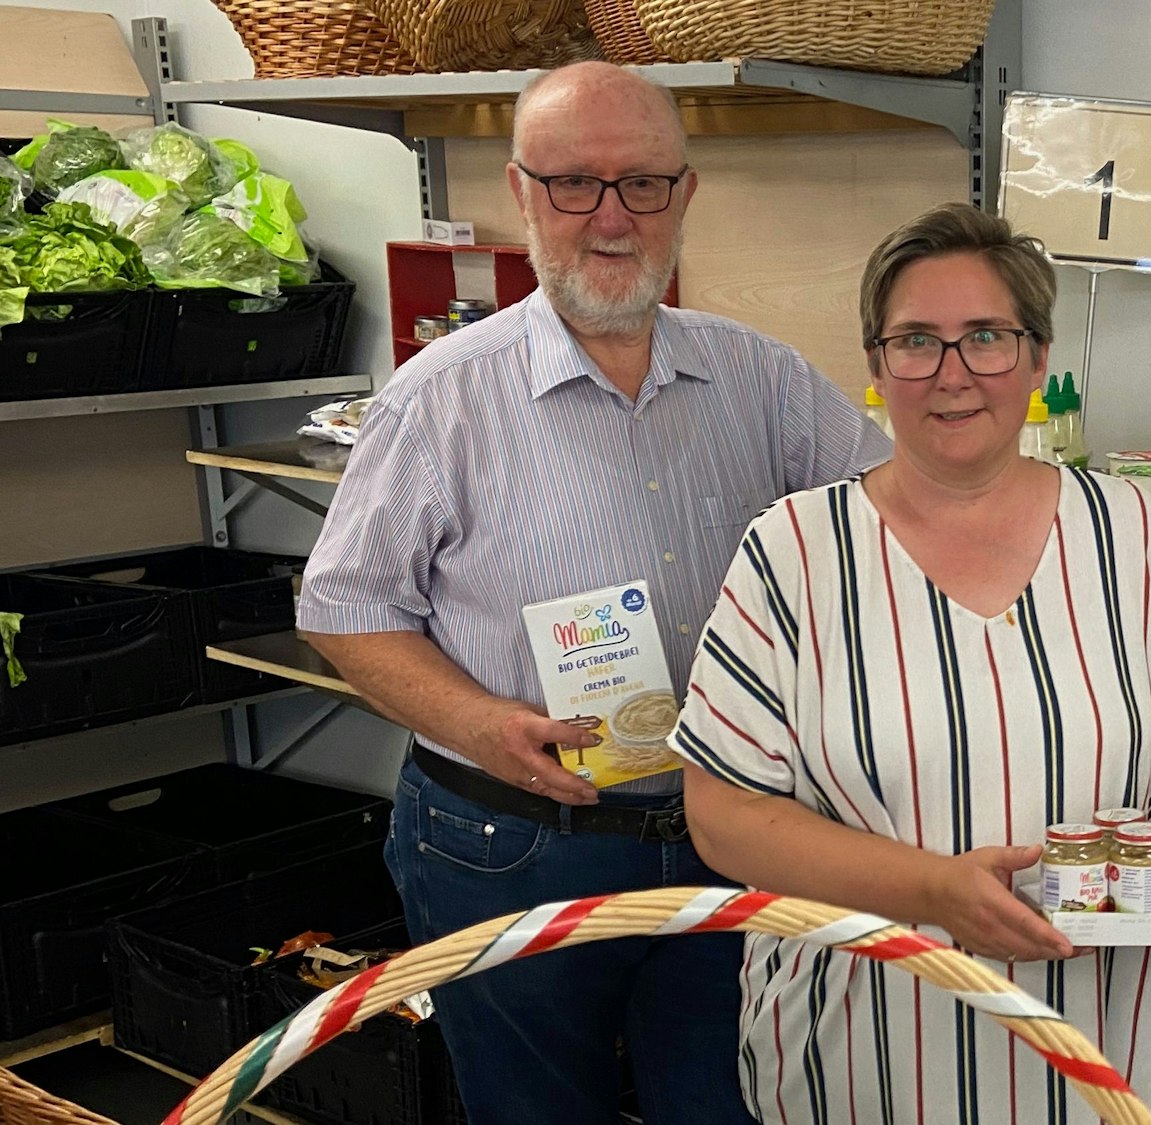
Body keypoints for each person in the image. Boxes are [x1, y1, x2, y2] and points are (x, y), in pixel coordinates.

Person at [297, 61, 891, 1124]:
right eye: (574, 183)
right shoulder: (440, 399)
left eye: (643, 184)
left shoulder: (760, 376)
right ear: (522, 194)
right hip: (510, 843)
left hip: (725, 830)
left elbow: (890, 525)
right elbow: (345, 611)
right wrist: (480, 723)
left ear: (685, 194)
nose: (612, 219)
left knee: (725, 1106)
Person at [670, 201, 1151, 1123]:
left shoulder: (1127, 529)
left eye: (988, 337)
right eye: (917, 341)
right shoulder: (794, 551)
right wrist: (932, 890)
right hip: (864, 1052)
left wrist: (1150, 892)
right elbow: (724, 817)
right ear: (877, 366)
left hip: (1102, 1038)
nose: (953, 373)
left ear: (1039, 359)